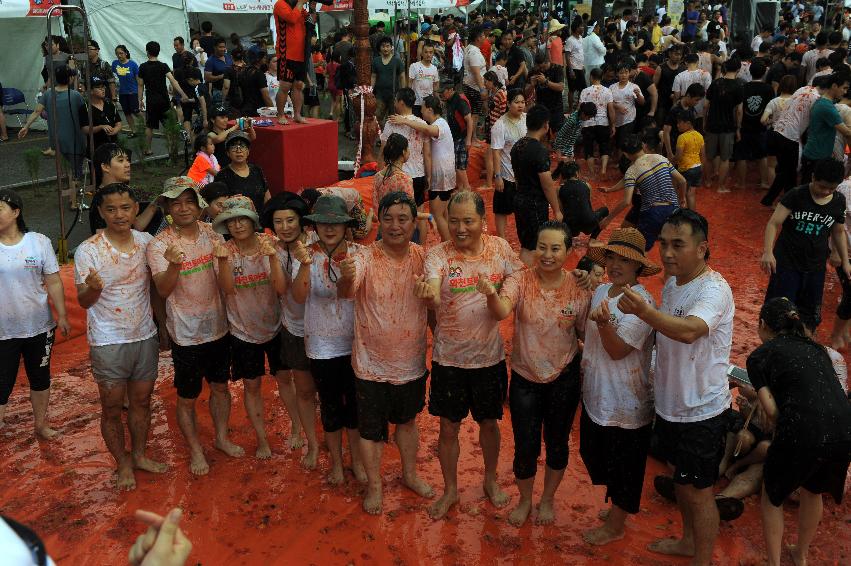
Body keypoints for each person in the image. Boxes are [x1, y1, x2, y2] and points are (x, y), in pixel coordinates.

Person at [618, 209, 733, 566]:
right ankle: (687, 541)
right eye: (664, 243)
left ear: (702, 249)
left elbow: (688, 331)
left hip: (702, 411)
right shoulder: (672, 283)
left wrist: (644, 313)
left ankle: (702, 560)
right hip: (671, 405)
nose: (666, 253)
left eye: (678, 245)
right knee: (681, 483)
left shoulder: (714, 289)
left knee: (699, 492)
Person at [418, 190, 525, 520]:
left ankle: (490, 480)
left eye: (468, 221)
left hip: (489, 359)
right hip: (448, 360)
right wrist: (430, 295)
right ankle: (451, 490)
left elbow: (519, 272)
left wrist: (505, 293)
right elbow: (433, 289)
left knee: (489, 424)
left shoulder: (499, 249)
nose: (460, 228)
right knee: (447, 429)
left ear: (483, 221)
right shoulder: (437, 256)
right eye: (453, 221)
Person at [477, 221, 589, 527]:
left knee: (557, 443)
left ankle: (548, 499)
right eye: (542, 247)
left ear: (568, 251)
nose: (548, 254)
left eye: (556, 248)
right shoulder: (520, 281)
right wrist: (490, 294)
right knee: (525, 446)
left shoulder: (579, 288)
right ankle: (526, 500)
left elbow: (584, 333)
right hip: (525, 379)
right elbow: (502, 309)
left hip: (563, 378)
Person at [336, 191, 435, 514]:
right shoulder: (364, 257)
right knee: (371, 431)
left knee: (407, 423)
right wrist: (346, 277)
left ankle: (409, 474)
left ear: (413, 223)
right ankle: (375, 487)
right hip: (369, 365)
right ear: (379, 221)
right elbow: (347, 291)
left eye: (403, 219)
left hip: (410, 362)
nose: (395, 226)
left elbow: (435, 301)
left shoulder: (424, 258)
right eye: (388, 218)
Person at [147, 177, 243, 476]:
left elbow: (227, 279)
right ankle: (196, 450)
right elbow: (162, 290)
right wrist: (174, 264)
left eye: (189, 201)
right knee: (187, 397)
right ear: (167, 208)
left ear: (199, 205)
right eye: (176, 203)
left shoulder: (213, 234)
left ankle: (221, 437)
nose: (184, 208)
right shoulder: (159, 244)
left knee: (220, 387)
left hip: (218, 325)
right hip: (185, 333)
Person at [74, 183, 167, 491]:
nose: (119, 215)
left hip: (144, 335)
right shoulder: (89, 250)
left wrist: (163, 325)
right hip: (108, 340)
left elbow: (156, 287)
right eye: (111, 209)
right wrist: (93, 288)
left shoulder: (146, 242)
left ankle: (139, 455)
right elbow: (84, 301)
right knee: (112, 407)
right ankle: (122, 462)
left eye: (125, 208)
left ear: (135, 210)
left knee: (142, 400)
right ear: (100, 213)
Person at [748, 297, 851, 566]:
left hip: (804, 428)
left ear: (762, 325)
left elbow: (771, 411)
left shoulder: (761, 355)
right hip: (843, 428)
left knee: (772, 496)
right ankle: (801, 554)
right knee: (813, 490)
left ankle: (774, 563)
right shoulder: (817, 349)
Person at [580, 227, 661, 545]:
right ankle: (617, 508)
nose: (615, 265)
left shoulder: (641, 303)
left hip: (627, 401)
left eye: (625, 260)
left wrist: (602, 326)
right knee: (594, 453)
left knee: (625, 465)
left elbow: (616, 351)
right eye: (611, 257)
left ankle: (616, 524)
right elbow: (587, 338)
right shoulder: (602, 291)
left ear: (638, 267)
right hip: (597, 393)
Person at [290, 194, 367, 485]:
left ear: (346, 226)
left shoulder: (361, 254)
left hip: (355, 344)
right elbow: (298, 298)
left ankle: (357, 462)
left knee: (355, 409)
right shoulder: (306, 255)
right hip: (321, 345)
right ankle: (336, 462)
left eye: (335, 223)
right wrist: (305, 266)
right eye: (322, 223)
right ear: (314, 226)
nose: (329, 228)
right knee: (331, 406)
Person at [212, 196, 286, 459]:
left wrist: (273, 257)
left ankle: (299, 430)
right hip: (242, 331)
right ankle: (262, 439)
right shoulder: (225, 251)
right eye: (231, 221)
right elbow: (229, 289)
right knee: (252, 386)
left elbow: (280, 289)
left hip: (276, 326)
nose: (237, 225)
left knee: (287, 380)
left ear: (253, 220)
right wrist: (222, 262)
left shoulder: (271, 244)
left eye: (242, 218)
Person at [0, 189, 69, 438]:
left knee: (40, 377)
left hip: (39, 325)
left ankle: (40, 425)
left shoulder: (38, 242)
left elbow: (53, 281)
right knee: (2, 384)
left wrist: (61, 315)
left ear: (16, 212)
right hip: (3, 332)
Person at [761, 158, 850, 329]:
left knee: (810, 314)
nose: (826, 191)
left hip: (815, 266)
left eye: (831, 188)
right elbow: (773, 223)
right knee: (780, 310)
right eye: (822, 186)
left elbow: (838, 231)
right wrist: (768, 252)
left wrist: (845, 260)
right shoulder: (796, 195)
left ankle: (803, 345)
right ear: (813, 177)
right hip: (787, 263)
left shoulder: (838, 201)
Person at [262, 192, 316, 462]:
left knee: (323, 388)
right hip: (291, 327)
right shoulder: (273, 248)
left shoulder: (316, 243)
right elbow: (282, 289)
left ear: (302, 221)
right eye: (279, 221)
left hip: (322, 329)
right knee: (299, 385)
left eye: (290, 220)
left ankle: (324, 436)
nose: (285, 227)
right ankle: (299, 427)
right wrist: (273, 257)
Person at [17, 65, 86, 209]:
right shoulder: (75, 96)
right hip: (74, 139)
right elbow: (84, 116)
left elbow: (37, 112)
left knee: (66, 168)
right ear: (70, 78)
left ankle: (70, 196)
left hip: (56, 140)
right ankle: (74, 202)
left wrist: (26, 127)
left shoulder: (48, 94)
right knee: (75, 172)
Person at [603, 134, 685, 251]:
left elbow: (626, 201)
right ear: (642, 145)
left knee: (639, 252)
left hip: (652, 212)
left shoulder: (632, 170)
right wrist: (682, 199)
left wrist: (608, 219)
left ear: (626, 154)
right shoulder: (660, 158)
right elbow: (682, 181)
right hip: (673, 210)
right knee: (673, 249)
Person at [511, 104, 563, 265]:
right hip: (534, 203)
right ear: (546, 125)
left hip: (519, 198)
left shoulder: (517, 146)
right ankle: (527, 282)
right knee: (534, 246)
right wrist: (557, 210)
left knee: (527, 245)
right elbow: (547, 185)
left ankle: (521, 280)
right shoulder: (539, 150)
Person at [379, 88, 431, 230]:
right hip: (418, 174)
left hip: (396, 176)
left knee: (396, 214)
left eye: (396, 100)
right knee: (419, 213)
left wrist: (380, 172)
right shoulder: (421, 124)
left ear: (401, 102)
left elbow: (383, 150)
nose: (394, 103)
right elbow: (427, 154)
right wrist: (429, 176)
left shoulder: (392, 122)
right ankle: (420, 249)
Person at [763, 82, 821, 206]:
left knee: (785, 171)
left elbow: (763, 119)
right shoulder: (817, 98)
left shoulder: (802, 89)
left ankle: (772, 199)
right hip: (790, 136)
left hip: (777, 131)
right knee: (788, 172)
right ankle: (781, 201)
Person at [138, 41, 188, 156]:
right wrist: (183, 94)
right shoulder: (163, 66)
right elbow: (173, 81)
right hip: (164, 100)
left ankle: (147, 149)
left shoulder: (143, 67)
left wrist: (140, 100)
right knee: (169, 126)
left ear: (147, 52)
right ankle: (172, 150)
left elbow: (140, 85)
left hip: (151, 100)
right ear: (158, 52)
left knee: (149, 126)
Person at [800, 72, 851, 183]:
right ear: (834, 86)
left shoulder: (823, 102)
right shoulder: (827, 107)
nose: (845, 92)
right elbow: (847, 132)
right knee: (809, 190)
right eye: (844, 88)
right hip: (816, 155)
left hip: (815, 153)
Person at [703, 59, 744, 193]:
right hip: (728, 127)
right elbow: (739, 111)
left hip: (712, 124)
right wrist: (738, 128)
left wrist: (705, 121)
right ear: (738, 69)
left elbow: (705, 105)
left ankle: (708, 181)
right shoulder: (738, 86)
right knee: (725, 158)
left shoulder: (715, 83)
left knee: (709, 156)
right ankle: (720, 187)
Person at [491, 90, 527, 240]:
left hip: (525, 174)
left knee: (524, 208)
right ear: (508, 104)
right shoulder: (500, 125)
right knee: (501, 208)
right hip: (507, 173)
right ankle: (501, 238)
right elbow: (496, 152)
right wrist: (497, 176)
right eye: (517, 102)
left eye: (523, 102)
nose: (520, 105)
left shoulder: (527, 119)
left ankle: (524, 238)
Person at [733, 61, 775, 189]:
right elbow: (771, 110)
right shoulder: (768, 89)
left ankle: (741, 183)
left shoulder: (743, 87)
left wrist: (738, 127)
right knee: (762, 156)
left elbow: (738, 110)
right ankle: (764, 182)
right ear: (764, 73)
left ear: (750, 72)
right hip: (761, 127)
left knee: (742, 156)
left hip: (744, 126)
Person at [213, 131, 270, 214]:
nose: (238, 150)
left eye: (242, 146)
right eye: (233, 147)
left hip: (260, 221)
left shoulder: (257, 170)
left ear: (248, 151)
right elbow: (220, 206)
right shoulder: (222, 175)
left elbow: (267, 197)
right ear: (228, 153)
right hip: (237, 222)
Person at [274, 0, 308, 124]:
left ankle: (297, 115)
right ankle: (281, 114)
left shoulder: (298, 7)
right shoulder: (280, 4)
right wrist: (300, 3)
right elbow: (292, 18)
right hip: (285, 53)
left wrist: (313, 8)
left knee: (298, 86)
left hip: (300, 54)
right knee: (285, 86)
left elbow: (310, 20)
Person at [553, 161, 608, 238]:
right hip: (589, 223)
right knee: (605, 210)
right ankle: (593, 239)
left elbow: (562, 210)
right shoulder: (587, 185)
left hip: (571, 227)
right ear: (577, 173)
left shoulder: (559, 189)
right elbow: (587, 206)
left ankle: (569, 241)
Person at [579, 69, 616, 179]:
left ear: (591, 77)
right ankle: (603, 170)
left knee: (589, 148)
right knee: (604, 146)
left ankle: (592, 174)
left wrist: (579, 121)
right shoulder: (607, 91)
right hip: (603, 122)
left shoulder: (585, 91)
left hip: (587, 123)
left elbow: (580, 109)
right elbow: (611, 110)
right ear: (602, 77)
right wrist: (613, 125)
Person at [439, 81, 473, 192]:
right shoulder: (449, 100)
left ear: (450, 90)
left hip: (462, 138)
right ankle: (461, 188)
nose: (441, 94)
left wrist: (468, 140)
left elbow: (470, 121)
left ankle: (467, 188)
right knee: (457, 165)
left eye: (443, 92)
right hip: (455, 137)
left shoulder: (460, 101)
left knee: (460, 166)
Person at [663, 82, 705, 162]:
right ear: (688, 96)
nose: (697, 103)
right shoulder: (675, 110)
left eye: (699, 100)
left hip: (687, 148)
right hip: (674, 147)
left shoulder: (691, 108)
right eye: (696, 100)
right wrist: (669, 153)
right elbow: (666, 132)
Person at [80, 77, 122, 154]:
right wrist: (100, 127)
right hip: (96, 148)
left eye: (103, 87)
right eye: (99, 87)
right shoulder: (85, 108)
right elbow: (84, 129)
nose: (103, 89)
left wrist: (115, 130)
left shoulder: (109, 104)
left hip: (113, 146)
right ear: (91, 91)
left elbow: (118, 123)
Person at [671, 53, 712, 131]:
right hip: (701, 113)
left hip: (684, 113)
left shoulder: (679, 76)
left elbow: (676, 96)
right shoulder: (706, 74)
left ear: (686, 62)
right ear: (698, 62)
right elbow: (709, 94)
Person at [610, 63, 645, 151]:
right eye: (621, 73)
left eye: (626, 72)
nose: (624, 75)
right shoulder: (612, 87)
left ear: (629, 73)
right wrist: (618, 106)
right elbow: (608, 103)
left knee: (623, 143)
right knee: (617, 143)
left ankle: (623, 163)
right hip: (615, 120)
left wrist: (638, 95)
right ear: (617, 74)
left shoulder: (634, 87)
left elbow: (642, 102)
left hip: (629, 119)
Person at [371, 36, 406, 124]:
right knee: (377, 118)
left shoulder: (397, 61)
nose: (385, 48)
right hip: (379, 95)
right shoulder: (376, 61)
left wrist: (403, 92)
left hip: (394, 96)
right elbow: (373, 77)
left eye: (387, 46)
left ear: (391, 47)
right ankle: (380, 136)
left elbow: (402, 77)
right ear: (380, 48)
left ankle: (392, 137)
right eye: (383, 46)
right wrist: (370, 91)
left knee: (393, 119)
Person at [675, 113, 705, 210]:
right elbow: (702, 154)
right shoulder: (699, 135)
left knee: (682, 197)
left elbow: (679, 157)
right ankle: (693, 218)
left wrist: (670, 159)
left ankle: (683, 220)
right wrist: (702, 167)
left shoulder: (682, 137)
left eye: (680, 123)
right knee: (691, 195)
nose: (677, 125)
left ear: (688, 123)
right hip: (697, 168)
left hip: (686, 169)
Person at [530, 52, 566, 133]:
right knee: (541, 133)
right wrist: (532, 85)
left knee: (557, 133)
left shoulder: (557, 68)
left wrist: (546, 81)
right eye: (539, 67)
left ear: (547, 62)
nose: (541, 70)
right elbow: (526, 92)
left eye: (543, 67)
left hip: (556, 108)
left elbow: (561, 87)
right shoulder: (535, 70)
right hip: (541, 107)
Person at [462, 26, 487, 127]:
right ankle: (473, 138)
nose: (485, 37)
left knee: (474, 113)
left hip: (470, 85)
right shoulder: (474, 52)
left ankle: (473, 137)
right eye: (483, 35)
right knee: (474, 114)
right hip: (474, 87)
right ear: (478, 38)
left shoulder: (470, 48)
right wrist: (482, 89)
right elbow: (476, 72)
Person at [409, 43, 440, 116]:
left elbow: (435, 86)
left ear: (433, 54)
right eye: (426, 52)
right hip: (416, 103)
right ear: (422, 53)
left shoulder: (434, 69)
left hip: (429, 104)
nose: (428, 55)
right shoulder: (414, 66)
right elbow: (409, 84)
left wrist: (438, 100)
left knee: (427, 125)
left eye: (430, 52)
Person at [204, 37, 233, 109]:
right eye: (220, 47)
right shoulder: (210, 61)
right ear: (215, 47)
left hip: (231, 91)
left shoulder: (228, 57)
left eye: (224, 47)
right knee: (221, 115)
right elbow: (207, 78)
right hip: (219, 92)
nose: (223, 49)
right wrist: (222, 76)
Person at [565, 20, 586, 110]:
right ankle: (570, 109)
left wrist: (583, 66)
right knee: (572, 89)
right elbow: (567, 56)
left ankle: (578, 106)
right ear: (576, 28)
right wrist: (570, 70)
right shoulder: (570, 40)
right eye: (581, 26)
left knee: (582, 88)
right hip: (573, 68)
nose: (583, 28)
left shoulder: (581, 38)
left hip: (580, 67)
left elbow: (581, 53)